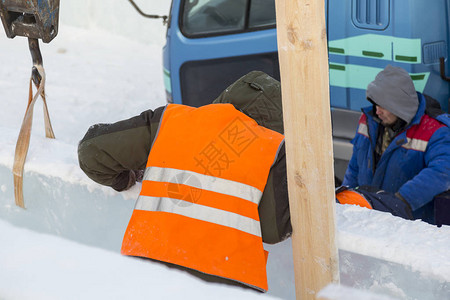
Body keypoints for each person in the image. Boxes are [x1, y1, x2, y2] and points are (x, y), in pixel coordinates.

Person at [78, 71, 291, 292]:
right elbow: (274, 231)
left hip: (145, 273)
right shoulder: (273, 148)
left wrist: (127, 179)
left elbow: (91, 153)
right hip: (227, 286)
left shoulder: (172, 119)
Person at [338, 65, 450, 225]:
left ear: (399, 105)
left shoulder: (435, 130)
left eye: (382, 105)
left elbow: (442, 172)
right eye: (375, 104)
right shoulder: (368, 121)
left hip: (410, 226)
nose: (377, 111)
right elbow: (355, 165)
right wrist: (345, 198)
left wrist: (401, 202)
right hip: (368, 218)